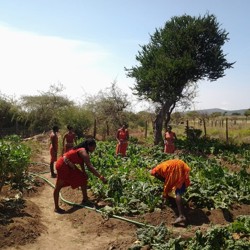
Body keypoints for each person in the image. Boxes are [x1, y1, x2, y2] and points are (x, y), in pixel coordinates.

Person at [53, 138, 107, 213]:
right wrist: (101, 177)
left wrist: (84, 172)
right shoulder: (83, 151)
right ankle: (56, 208)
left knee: (83, 178)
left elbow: (81, 162)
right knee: (58, 186)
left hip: (69, 165)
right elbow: (90, 167)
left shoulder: (83, 150)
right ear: (89, 146)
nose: (94, 149)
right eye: (93, 147)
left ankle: (85, 199)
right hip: (63, 165)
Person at [150, 159, 191, 225]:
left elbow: (164, 180)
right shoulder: (161, 167)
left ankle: (181, 216)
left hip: (175, 168)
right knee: (178, 186)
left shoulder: (156, 171)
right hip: (181, 165)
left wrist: (166, 188)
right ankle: (176, 207)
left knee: (176, 190)